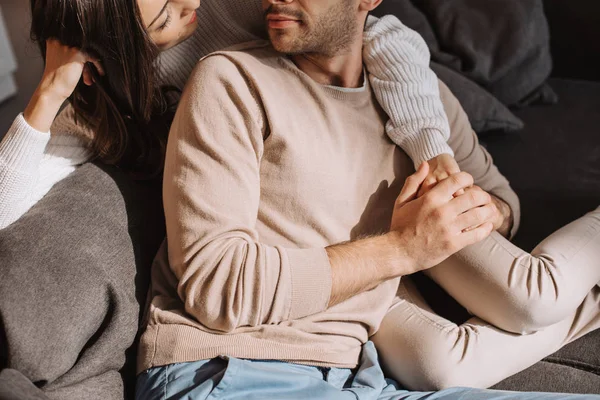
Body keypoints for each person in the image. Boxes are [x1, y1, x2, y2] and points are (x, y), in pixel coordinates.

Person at [136, 0, 600, 398]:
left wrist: (481, 213)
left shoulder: (419, 95)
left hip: (356, 377)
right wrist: (405, 248)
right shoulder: (232, 79)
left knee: (510, 316)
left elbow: (501, 197)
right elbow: (218, 289)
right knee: (445, 359)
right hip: (235, 371)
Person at [0, 0, 457, 230]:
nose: (191, 2)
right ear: (111, 58)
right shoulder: (95, 115)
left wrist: (430, 146)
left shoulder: (225, 5)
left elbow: (375, 32)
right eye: (164, 19)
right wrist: (48, 93)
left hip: (405, 105)